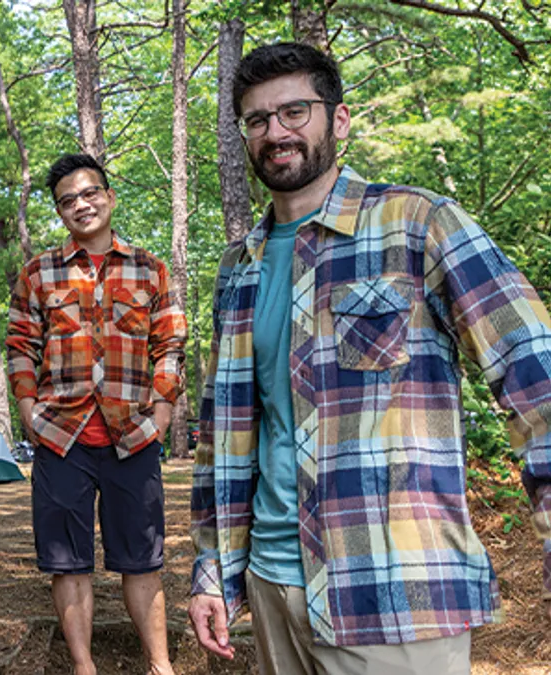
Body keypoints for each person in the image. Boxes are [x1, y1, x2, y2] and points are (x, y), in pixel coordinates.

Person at [188, 42, 551, 675]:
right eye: (257, 119)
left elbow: (535, 372)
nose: (277, 132)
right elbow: (222, 438)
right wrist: (210, 570)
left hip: (393, 594)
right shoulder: (236, 268)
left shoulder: (418, 225)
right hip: (274, 590)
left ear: (340, 120)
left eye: (295, 111)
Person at [6, 154, 187, 675]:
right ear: (60, 212)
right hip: (61, 437)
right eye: (67, 200)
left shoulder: (150, 269)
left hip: (134, 435)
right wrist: (28, 412)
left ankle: (160, 665)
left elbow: (170, 342)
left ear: (108, 196)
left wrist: (163, 412)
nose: (80, 205)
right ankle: (84, 667)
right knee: (68, 562)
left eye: (89, 194)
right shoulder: (38, 273)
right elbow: (20, 344)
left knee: (143, 559)